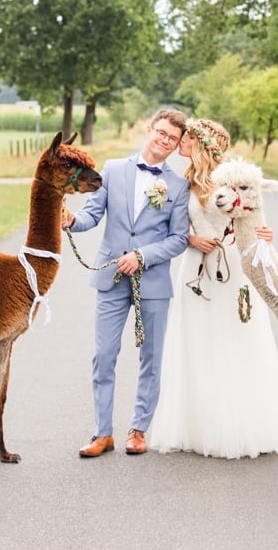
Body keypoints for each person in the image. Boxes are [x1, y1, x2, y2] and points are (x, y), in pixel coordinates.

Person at [148, 118, 278, 458]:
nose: (180, 140)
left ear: (201, 143)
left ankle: (239, 425)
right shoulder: (180, 180)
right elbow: (169, 228)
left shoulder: (231, 180)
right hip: (195, 267)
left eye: (187, 136)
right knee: (197, 341)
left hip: (230, 269)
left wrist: (266, 236)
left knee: (234, 340)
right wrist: (189, 238)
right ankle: (199, 425)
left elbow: (255, 221)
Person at [67, 108, 190, 457]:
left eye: (173, 139)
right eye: (161, 133)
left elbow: (179, 238)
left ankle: (138, 430)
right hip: (110, 279)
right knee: (104, 355)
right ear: (149, 129)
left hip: (152, 283)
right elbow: (92, 214)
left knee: (151, 358)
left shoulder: (178, 186)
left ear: (177, 144)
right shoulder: (114, 169)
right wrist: (73, 219)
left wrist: (143, 256)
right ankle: (101, 434)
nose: (164, 141)